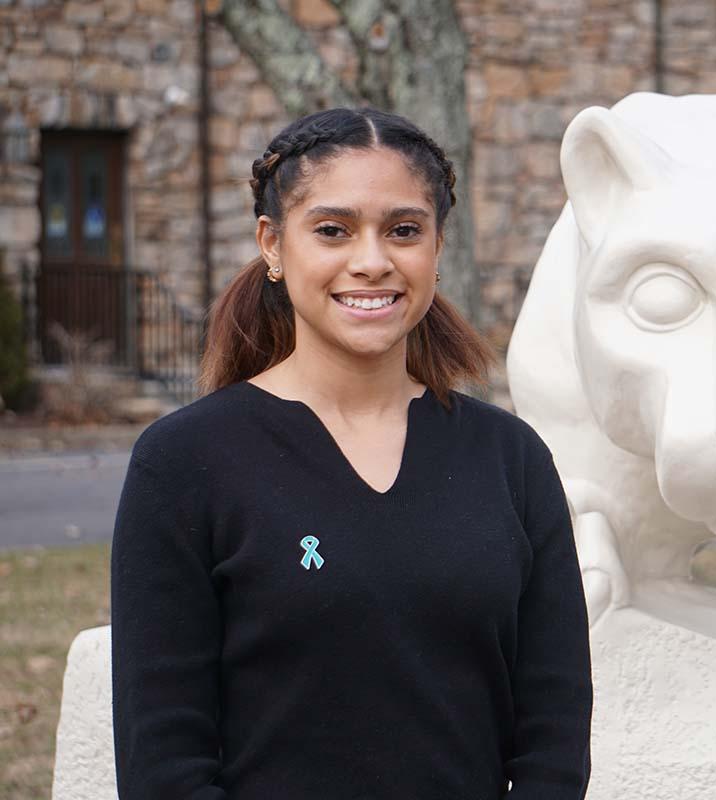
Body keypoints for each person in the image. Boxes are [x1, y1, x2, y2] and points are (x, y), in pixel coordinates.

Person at [110, 107, 593, 799]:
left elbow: (553, 730)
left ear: (436, 246)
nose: (372, 261)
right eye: (333, 230)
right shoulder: (185, 462)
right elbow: (164, 759)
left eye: (403, 230)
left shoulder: (510, 458)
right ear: (273, 246)